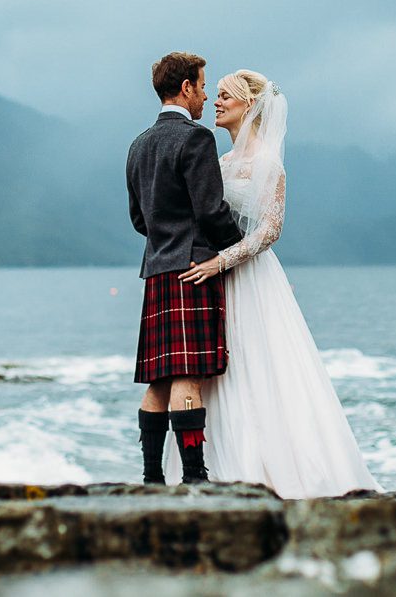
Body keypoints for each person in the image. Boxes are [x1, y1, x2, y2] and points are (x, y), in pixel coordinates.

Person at [168, 69, 381, 498]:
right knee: (219, 375)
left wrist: (222, 262)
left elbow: (270, 230)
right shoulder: (220, 162)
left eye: (226, 96)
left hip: (249, 279)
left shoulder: (268, 163)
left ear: (249, 105)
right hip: (212, 279)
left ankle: (271, 468)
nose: (217, 102)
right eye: (217, 95)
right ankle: (214, 467)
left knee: (260, 368)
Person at [126, 52, 244, 484]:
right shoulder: (195, 139)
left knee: (158, 379)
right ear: (187, 88)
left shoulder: (138, 144)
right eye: (203, 84)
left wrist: (164, 239)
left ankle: (151, 477)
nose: (206, 94)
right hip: (193, 266)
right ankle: (194, 476)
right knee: (187, 376)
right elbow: (212, 211)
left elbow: (139, 219)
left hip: (157, 269)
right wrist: (239, 248)